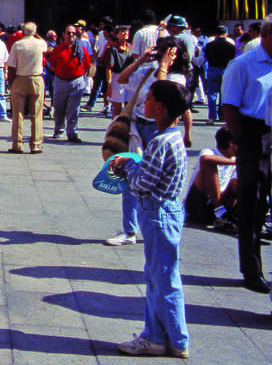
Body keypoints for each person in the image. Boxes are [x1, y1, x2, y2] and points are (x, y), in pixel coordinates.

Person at [110, 80, 191, 358]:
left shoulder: (159, 142)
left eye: (148, 99)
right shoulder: (174, 137)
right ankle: (158, 336)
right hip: (168, 211)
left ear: (159, 107)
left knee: (163, 279)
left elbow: (143, 183)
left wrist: (130, 165)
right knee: (159, 276)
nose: (144, 103)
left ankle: (174, 339)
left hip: (158, 213)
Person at [221, 20, 272, 293]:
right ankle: (252, 269)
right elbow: (229, 106)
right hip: (254, 132)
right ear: (265, 36)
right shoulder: (243, 64)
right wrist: (241, 141)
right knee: (253, 202)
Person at [183, 126, 237, 230]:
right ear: (231, 143)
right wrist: (236, 162)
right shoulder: (209, 152)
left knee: (237, 181)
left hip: (221, 201)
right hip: (199, 205)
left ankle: (243, 216)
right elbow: (205, 159)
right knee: (209, 165)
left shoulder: (236, 158)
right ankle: (219, 210)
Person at [7, 22, 47, 154]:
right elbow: (46, 46)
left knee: (18, 114)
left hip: (20, 79)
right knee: (37, 114)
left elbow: (12, 66)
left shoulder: (17, 45)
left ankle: (17, 145)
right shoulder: (40, 44)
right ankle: (35, 145)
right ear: (35, 32)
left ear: (23, 31)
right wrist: (36, 34)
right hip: (36, 79)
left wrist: (11, 82)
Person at [48, 24, 91, 142]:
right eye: (68, 33)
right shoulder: (58, 49)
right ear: (63, 34)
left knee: (74, 109)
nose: (71, 35)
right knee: (59, 107)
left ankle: (72, 132)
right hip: (60, 81)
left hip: (76, 82)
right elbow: (52, 65)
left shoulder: (81, 49)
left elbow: (87, 64)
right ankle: (58, 129)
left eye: (73, 33)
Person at [203, 26, 236, 124]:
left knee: (212, 94)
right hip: (226, 69)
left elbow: (206, 57)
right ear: (225, 34)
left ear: (216, 34)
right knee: (224, 93)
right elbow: (233, 59)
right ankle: (223, 115)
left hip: (213, 68)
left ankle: (212, 117)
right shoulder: (231, 46)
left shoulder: (209, 45)